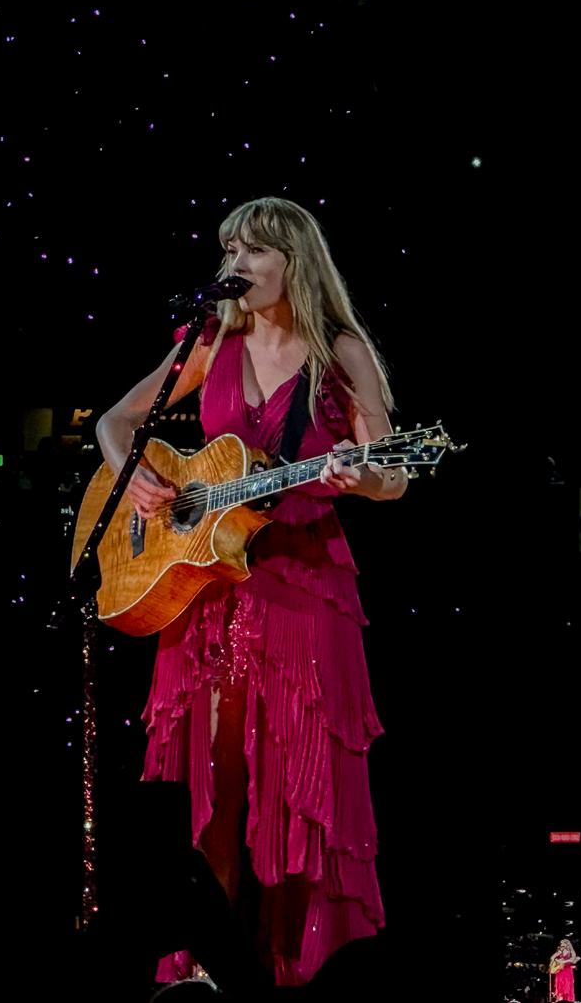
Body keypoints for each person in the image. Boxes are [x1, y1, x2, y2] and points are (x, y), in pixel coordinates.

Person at [94, 196, 404, 988]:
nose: (231, 262)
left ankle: (304, 972)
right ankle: (203, 968)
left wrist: (356, 477)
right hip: (204, 584)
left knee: (297, 779)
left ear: (290, 260)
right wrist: (142, 484)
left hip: (302, 579)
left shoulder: (340, 351)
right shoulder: (210, 340)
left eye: (249, 248)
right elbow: (115, 424)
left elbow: (392, 473)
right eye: (226, 247)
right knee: (209, 779)